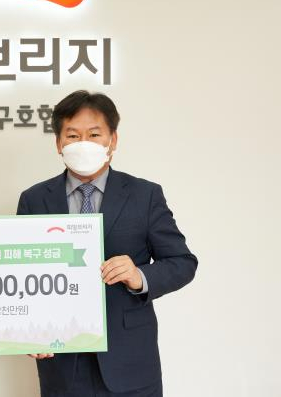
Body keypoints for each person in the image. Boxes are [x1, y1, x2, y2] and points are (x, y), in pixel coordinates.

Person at [17, 90, 198, 397]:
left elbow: (182, 263)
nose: (83, 143)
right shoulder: (34, 199)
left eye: (94, 134)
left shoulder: (144, 195)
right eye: (72, 135)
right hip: (62, 365)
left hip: (130, 364)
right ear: (58, 143)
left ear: (112, 140)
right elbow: (21, 274)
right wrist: (29, 331)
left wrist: (139, 276)